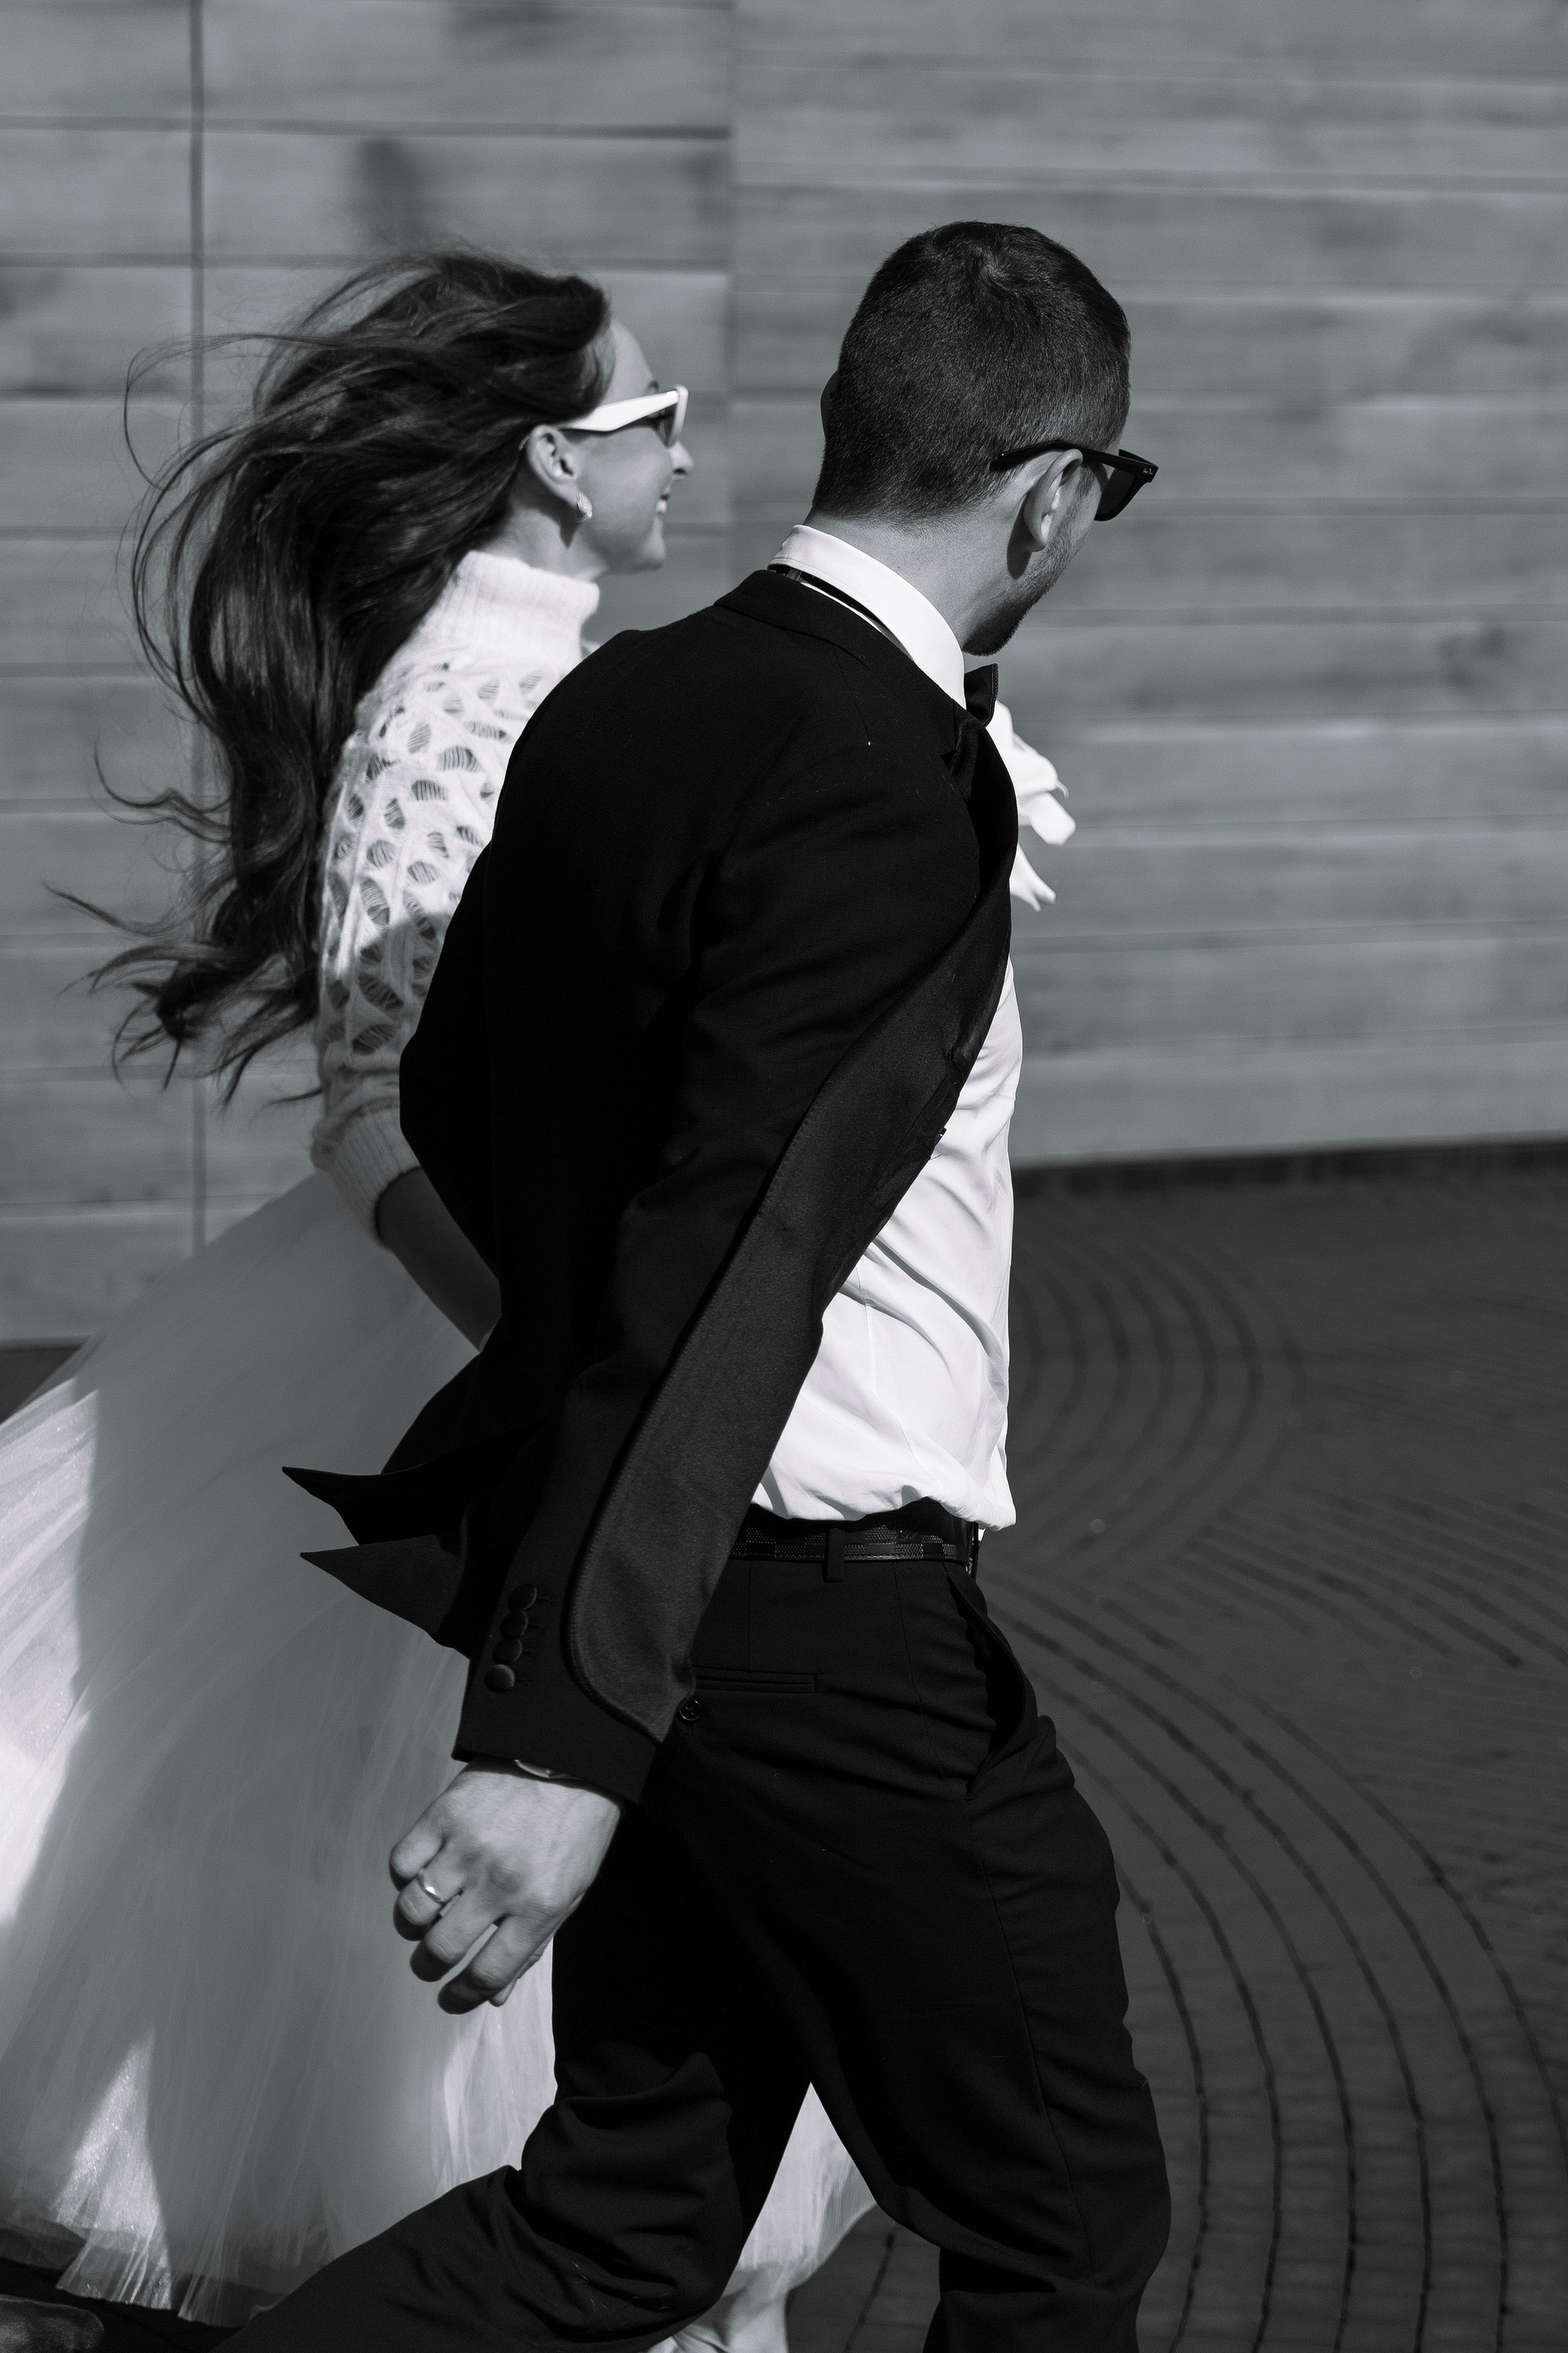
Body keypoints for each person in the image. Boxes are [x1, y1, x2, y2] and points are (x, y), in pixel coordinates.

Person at [0, 249, 1071, 2349]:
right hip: (477, 1376)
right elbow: (378, 1109)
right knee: (465, 2041)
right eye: (647, 418)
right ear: (557, 466)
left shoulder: (612, 679)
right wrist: (577, 1345)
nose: (683, 451)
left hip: (612, 1377)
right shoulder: (472, 705)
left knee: (641, 2136)